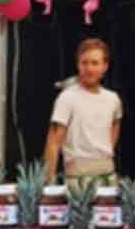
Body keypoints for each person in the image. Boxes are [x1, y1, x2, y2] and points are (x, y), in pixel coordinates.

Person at [44, 38, 122, 185]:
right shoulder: (67, 98)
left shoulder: (113, 99)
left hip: (108, 176)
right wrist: (50, 184)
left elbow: (114, 127)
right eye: (84, 63)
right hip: (76, 180)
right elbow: (53, 143)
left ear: (105, 66)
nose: (89, 68)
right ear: (78, 65)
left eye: (95, 63)